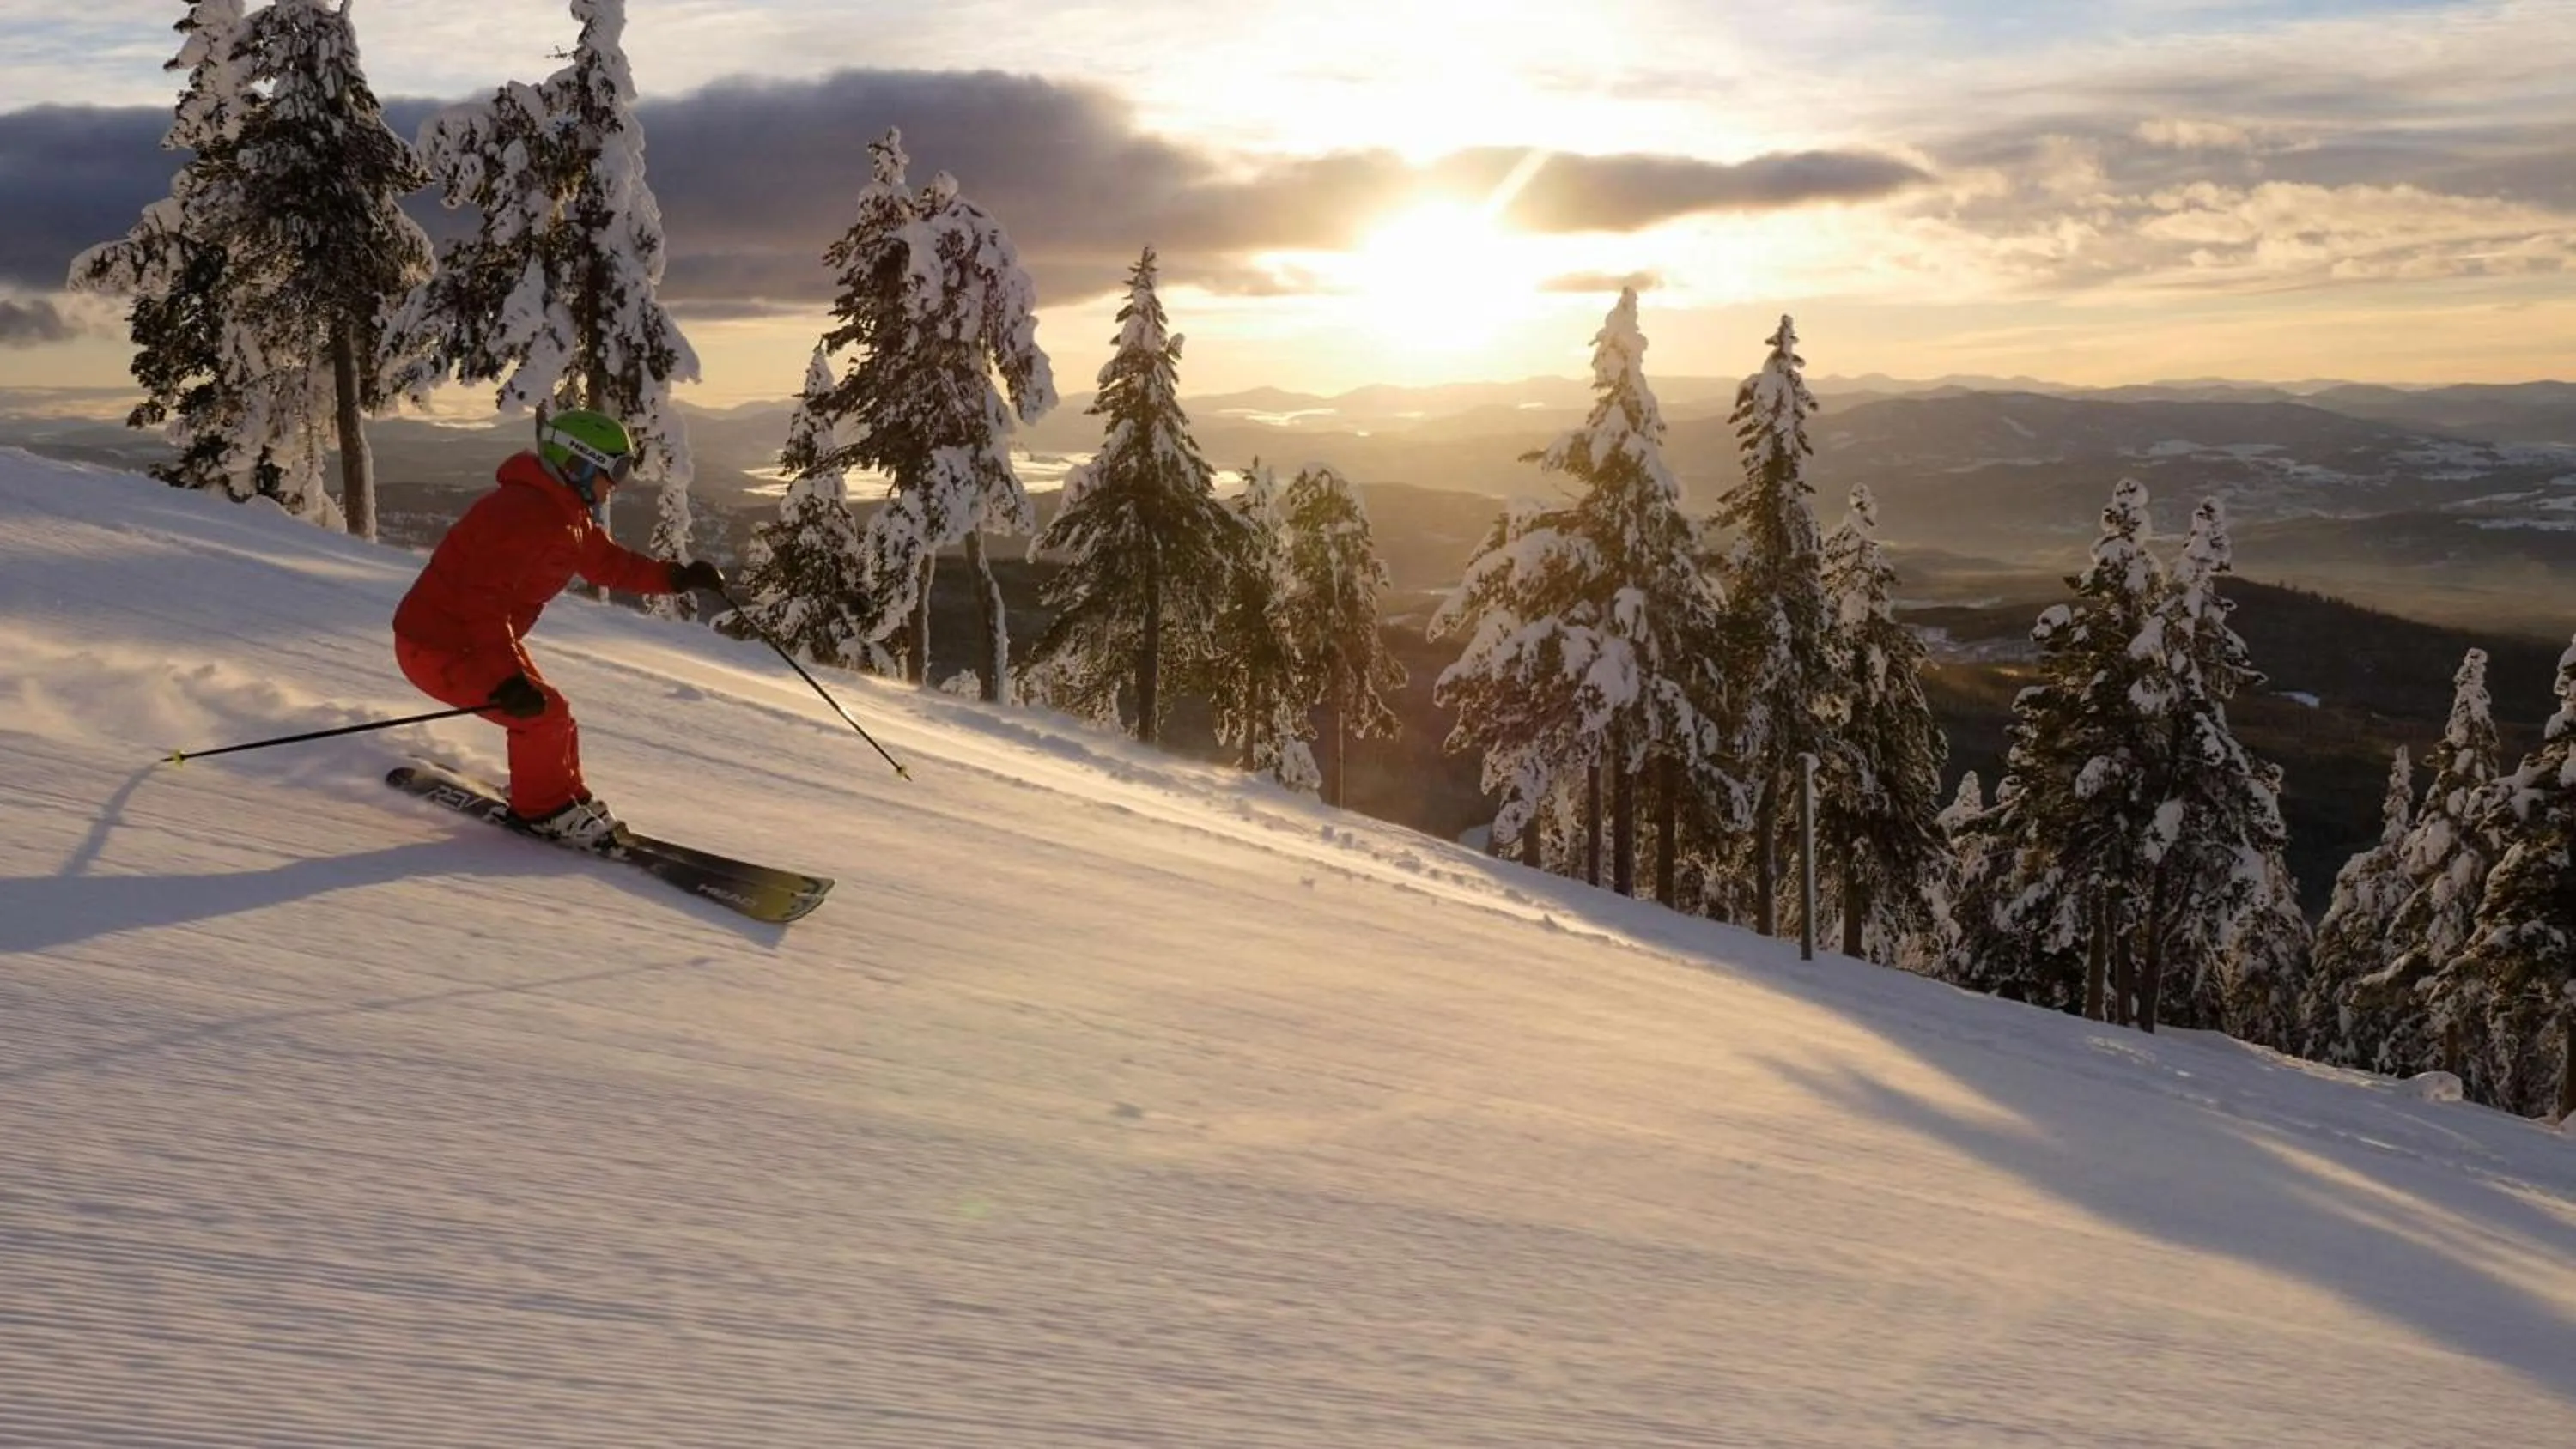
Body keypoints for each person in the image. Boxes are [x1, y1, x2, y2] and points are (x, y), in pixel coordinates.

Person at [393, 409, 722, 846]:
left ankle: (566, 797)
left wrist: (675, 579)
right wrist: (508, 678)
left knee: (554, 713)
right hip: (437, 646)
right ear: (578, 464)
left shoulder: (566, 515)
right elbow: (482, 602)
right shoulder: (520, 514)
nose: (616, 485)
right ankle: (544, 812)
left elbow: (609, 565)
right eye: (615, 470)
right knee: (543, 714)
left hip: (474, 641)